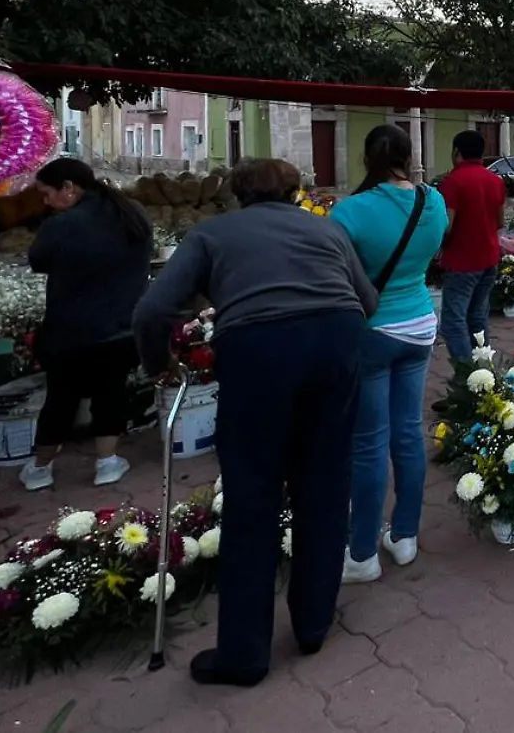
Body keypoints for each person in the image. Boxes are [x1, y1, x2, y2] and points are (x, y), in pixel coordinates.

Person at [132, 158, 378, 688]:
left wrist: (159, 363)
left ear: (236, 193)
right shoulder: (327, 228)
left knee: (252, 495)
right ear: (295, 191)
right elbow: (368, 300)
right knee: (325, 485)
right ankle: (313, 624)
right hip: (335, 344)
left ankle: (244, 654)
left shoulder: (211, 233)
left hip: (258, 351)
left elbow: (151, 311)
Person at [330, 126, 448, 584]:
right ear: (409, 155)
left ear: (366, 158)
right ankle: (404, 536)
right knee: (408, 433)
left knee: (369, 443)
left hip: (373, 330)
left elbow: (335, 272)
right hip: (420, 323)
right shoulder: (432, 201)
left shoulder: (350, 212)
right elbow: (432, 250)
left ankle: (361, 555)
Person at [19, 158, 153, 491]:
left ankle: (40, 468)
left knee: (61, 398)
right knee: (111, 392)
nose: (46, 202)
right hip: (122, 324)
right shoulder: (132, 212)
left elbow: (37, 261)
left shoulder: (62, 225)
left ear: (69, 188)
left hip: (71, 329)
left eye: (47, 193)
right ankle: (107, 462)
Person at [436, 131, 505, 374]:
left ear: (456, 152)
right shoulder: (495, 180)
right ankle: (484, 374)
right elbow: (499, 221)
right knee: (477, 318)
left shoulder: (453, 182)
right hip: (489, 258)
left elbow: (446, 225)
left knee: (453, 323)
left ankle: (466, 380)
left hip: (462, 262)